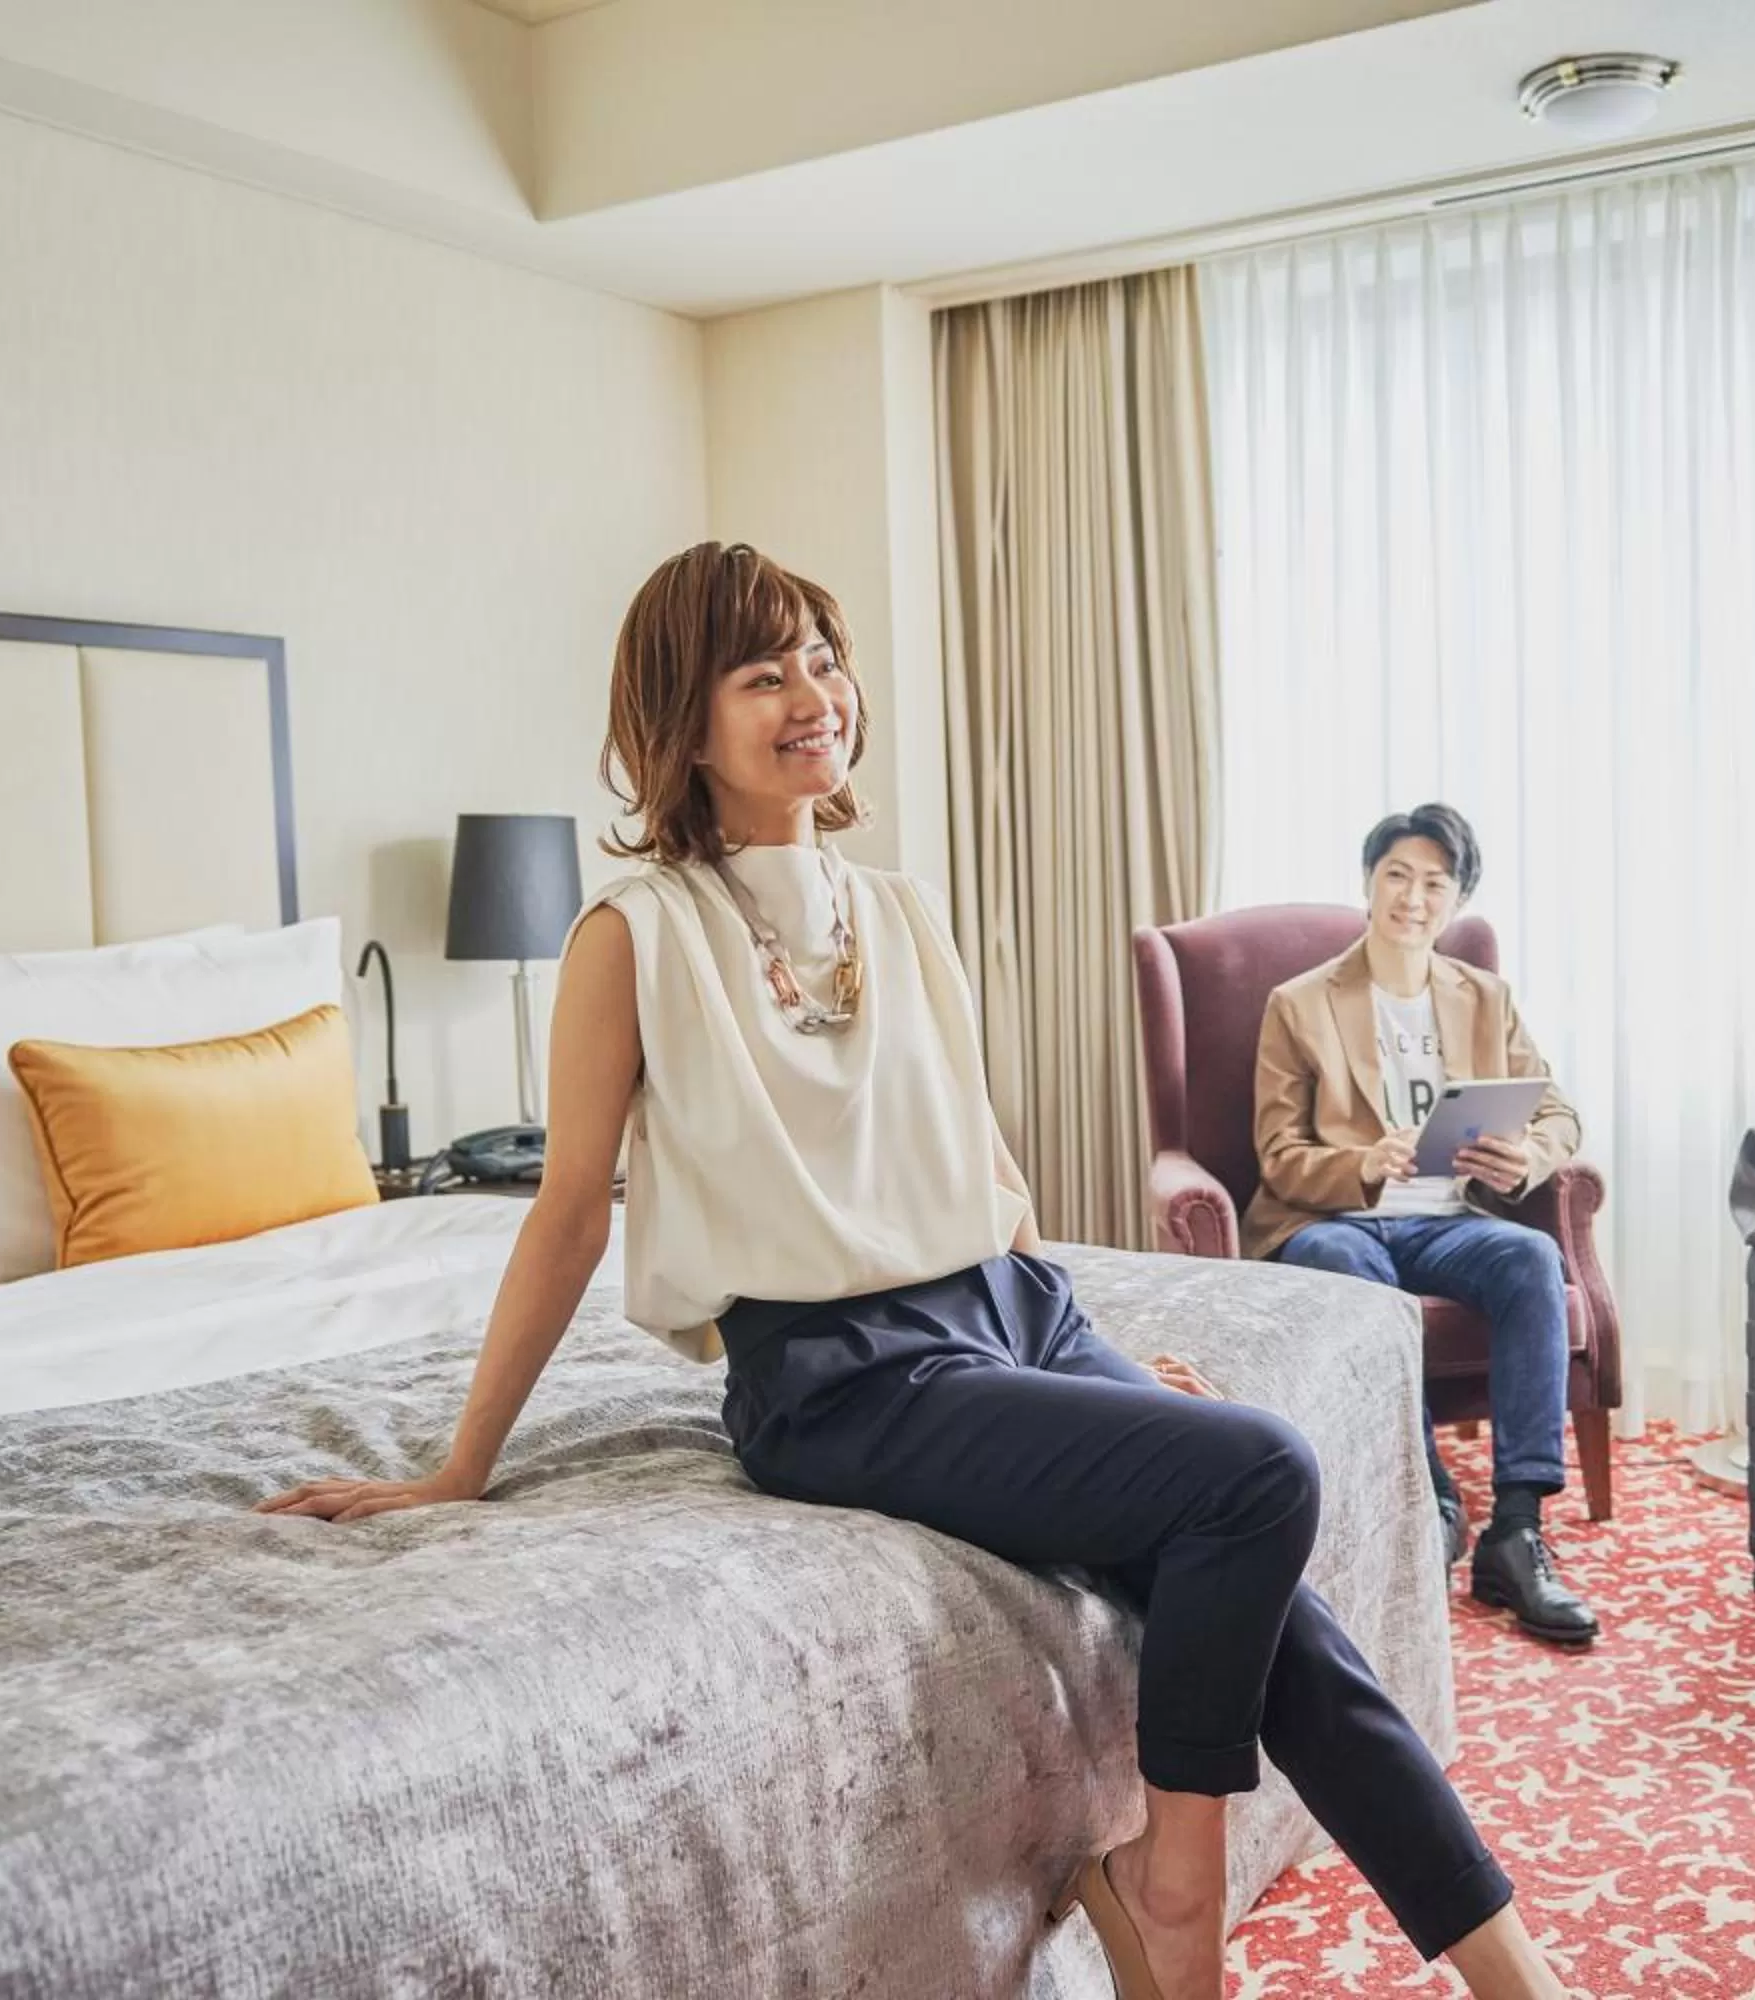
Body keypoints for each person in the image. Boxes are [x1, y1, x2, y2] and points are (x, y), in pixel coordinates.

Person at [257, 546, 1568, 2000]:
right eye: (764, 674)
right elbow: (569, 1209)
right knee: (1259, 1475)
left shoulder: (902, 912)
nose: (813, 694)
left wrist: (1116, 1373)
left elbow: (982, 1186)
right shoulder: (635, 936)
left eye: (825, 658)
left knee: (1275, 1594)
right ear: (683, 726)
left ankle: (1513, 1974)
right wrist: (459, 1464)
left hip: (1006, 1316)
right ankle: (1173, 1897)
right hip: (839, 1375)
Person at [1245, 804, 1602, 1648]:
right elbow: (1276, 1156)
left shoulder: (1484, 997)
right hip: (1339, 1218)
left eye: (1435, 883)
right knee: (1336, 1259)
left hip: (1450, 1221)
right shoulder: (1300, 1005)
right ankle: (1432, 1499)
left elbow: (1557, 1113)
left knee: (1530, 1256)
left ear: (1457, 900)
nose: (1413, 897)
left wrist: (1530, 1157)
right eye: (1397, 876)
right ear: (1369, 885)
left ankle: (1514, 1531)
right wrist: (1366, 1162)